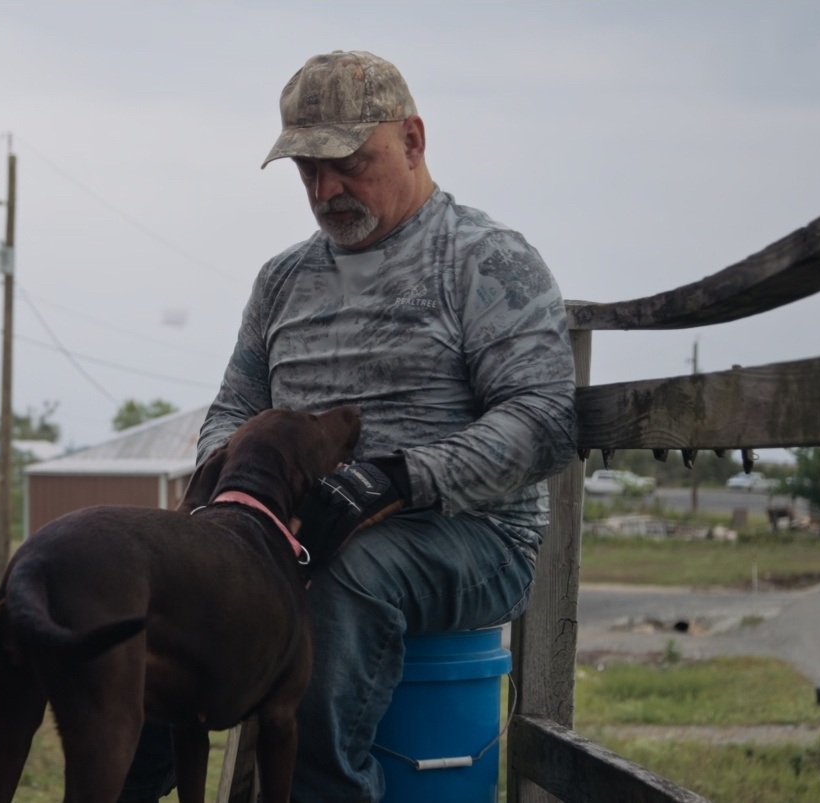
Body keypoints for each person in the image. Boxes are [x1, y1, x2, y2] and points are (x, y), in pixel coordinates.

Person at [118, 51, 578, 803]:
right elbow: (232, 409)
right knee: (156, 589)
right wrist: (225, 500)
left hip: (469, 535)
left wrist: (392, 479)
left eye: (351, 162)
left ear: (413, 139)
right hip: (291, 529)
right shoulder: (283, 280)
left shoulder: (487, 261)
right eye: (308, 170)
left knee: (339, 579)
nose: (327, 189)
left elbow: (544, 421)